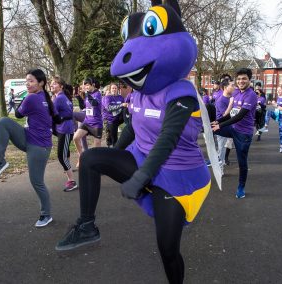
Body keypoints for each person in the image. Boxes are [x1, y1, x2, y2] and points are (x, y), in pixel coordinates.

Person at [56, 1, 211, 283]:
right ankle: (87, 226)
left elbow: (168, 138)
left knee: (167, 249)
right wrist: (113, 159)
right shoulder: (139, 92)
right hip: (143, 160)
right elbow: (131, 127)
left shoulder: (181, 91)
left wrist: (140, 177)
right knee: (92, 159)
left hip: (179, 177)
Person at [0, 69, 59, 227]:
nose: (27, 84)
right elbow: (55, 118)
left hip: (38, 146)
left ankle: (46, 215)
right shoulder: (46, 98)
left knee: (37, 182)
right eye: (26, 80)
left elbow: (19, 115)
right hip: (31, 138)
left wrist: (17, 102)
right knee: (3, 122)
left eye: (31, 81)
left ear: (41, 83)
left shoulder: (32, 97)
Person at [211, 68, 257, 199]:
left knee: (242, 162)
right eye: (239, 79)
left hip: (244, 134)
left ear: (249, 80)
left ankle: (241, 187)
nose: (241, 81)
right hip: (234, 129)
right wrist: (217, 121)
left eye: (244, 79)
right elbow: (230, 113)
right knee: (211, 128)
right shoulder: (236, 92)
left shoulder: (251, 95)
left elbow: (239, 116)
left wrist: (220, 124)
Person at [50, 76, 78, 192]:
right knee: (65, 152)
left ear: (61, 86)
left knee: (61, 156)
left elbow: (51, 114)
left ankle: (72, 181)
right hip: (64, 129)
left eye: (55, 83)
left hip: (65, 130)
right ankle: (68, 169)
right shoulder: (63, 97)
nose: (52, 85)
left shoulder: (59, 99)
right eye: (51, 83)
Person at [73, 77, 103, 168]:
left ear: (92, 85)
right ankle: (81, 157)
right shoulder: (87, 94)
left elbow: (94, 103)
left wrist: (87, 94)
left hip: (96, 124)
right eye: (84, 85)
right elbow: (83, 106)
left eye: (87, 85)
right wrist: (78, 96)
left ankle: (97, 165)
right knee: (75, 138)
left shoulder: (97, 94)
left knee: (96, 148)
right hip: (87, 122)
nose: (85, 87)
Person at [260, 85, 282, 152]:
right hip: (277, 114)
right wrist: (272, 103)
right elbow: (277, 107)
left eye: (279, 90)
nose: (278, 91)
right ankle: (266, 127)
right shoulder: (278, 98)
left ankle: (281, 147)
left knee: (281, 132)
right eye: (277, 90)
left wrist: (276, 105)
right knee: (268, 112)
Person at [214, 79, 235, 170]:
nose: (234, 87)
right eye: (232, 85)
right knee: (221, 149)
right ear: (226, 87)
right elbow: (224, 116)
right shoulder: (220, 100)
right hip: (222, 127)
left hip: (231, 126)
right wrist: (231, 104)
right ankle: (220, 169)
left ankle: (224, 161)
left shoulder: (232, 97)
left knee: (229, 145)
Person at [102, 83, 124, 147]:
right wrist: (121, 105)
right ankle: (111, 148)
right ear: (110, 89)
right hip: (109, 120)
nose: (114, 89)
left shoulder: (120, 97)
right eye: (113, 88)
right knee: (111, 136)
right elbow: (109, 108)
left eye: (115, 88)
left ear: (117, 89)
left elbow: (124, 107)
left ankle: (114, 148)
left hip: (117, 119)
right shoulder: (107, 98)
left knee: (114, 135)